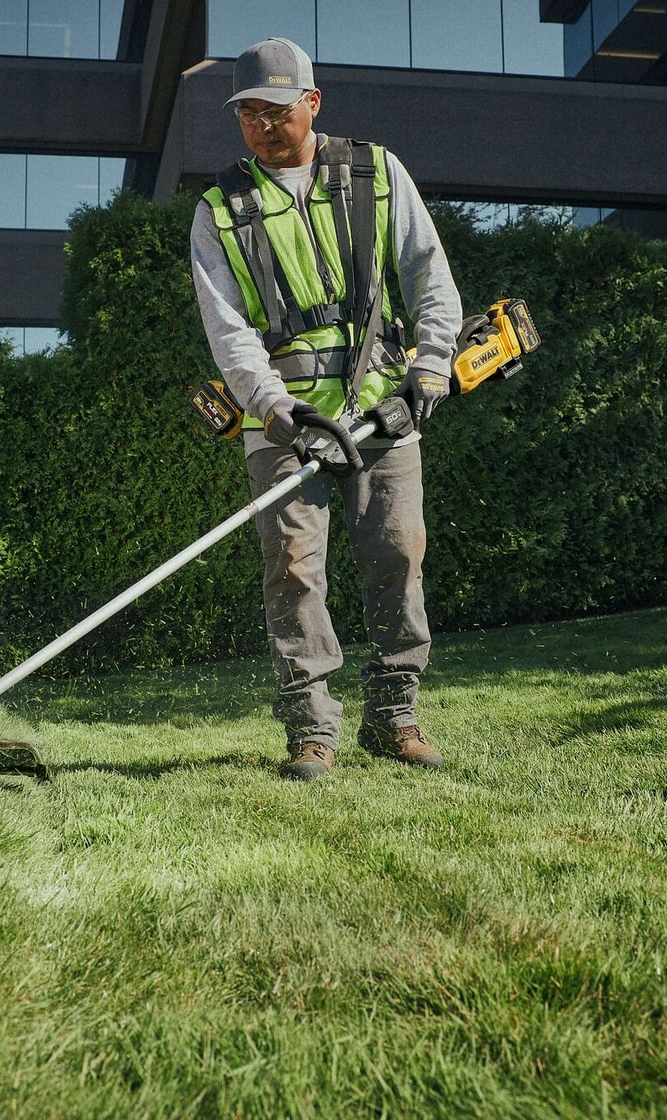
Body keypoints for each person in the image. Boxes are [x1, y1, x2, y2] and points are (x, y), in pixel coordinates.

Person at [189, 36, 464, 781]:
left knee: (399, 554)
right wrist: (277, 409)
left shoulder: (376, 173)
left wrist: (431, 366)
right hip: (280, 422)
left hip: (382, 406)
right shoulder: (220, 210)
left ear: (312, 103)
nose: (262, 125)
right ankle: (313, 727)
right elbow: (229, 330)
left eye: (275, 109)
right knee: (291, 567)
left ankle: (395, 715)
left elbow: (427, 271)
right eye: (247, 113)